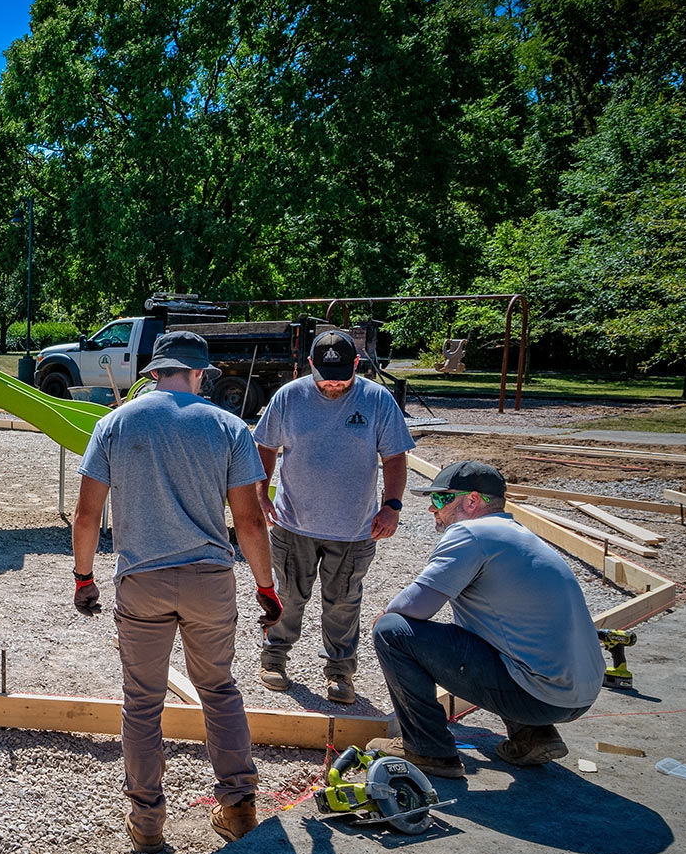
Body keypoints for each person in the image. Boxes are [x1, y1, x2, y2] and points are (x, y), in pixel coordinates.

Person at [69, 331, 282, 849]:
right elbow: (250, 522)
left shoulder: (114, 423)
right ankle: (238, 809)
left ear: (154, 371)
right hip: (210, 581)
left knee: (141, 703)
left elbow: (87, 515)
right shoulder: (229, 427)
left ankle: (146, 825)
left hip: (142, 582)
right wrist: (265, 585)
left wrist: (83, 577)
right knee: (219, 691)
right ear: (200, 374)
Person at [369, 460, 603, 777]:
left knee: (390, 631)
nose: (431, 509)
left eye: (440, 499)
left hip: (542, 695)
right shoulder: (519, 535)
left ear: (472, 500)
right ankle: (533, 735)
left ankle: (427, 749)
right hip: (580, 692)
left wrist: (383, 615)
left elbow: (413, 608)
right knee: (488, 633)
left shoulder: (470, 533)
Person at [252, 329, 415, 705]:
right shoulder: (288, 398)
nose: (334, 384)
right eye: (325, 377)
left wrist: (392, 506)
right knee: (288, 597)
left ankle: (340, 673)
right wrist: (261, 494)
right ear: (309, 366)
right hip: (294, 525)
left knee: (343, 602)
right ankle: (274, 659)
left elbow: (394, 457)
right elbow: (266, 447)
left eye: (342, 376)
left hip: (354, 529)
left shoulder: (377, 400)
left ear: (356, 364)